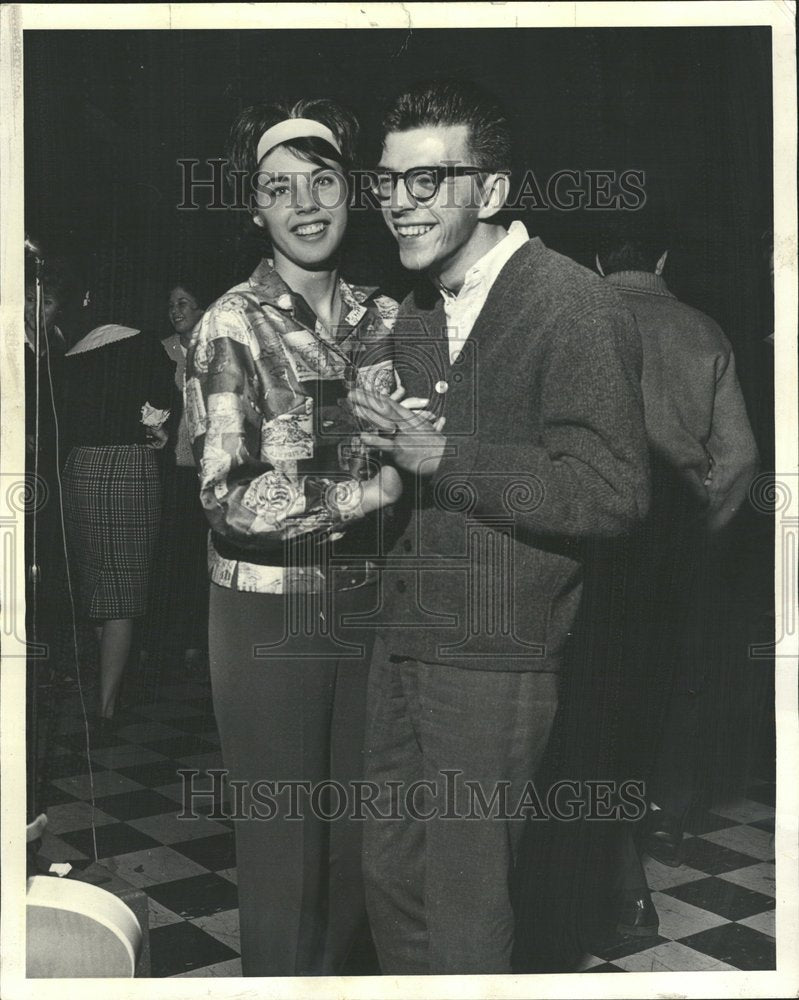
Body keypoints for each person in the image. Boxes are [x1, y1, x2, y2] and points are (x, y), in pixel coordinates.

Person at [350, 78, 651, 974]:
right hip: (403, 635)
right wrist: (372, 431)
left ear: (490, 191)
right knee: (391, 880)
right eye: (389, 182)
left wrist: (447, 456)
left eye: (427, 182)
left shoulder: (572, 304)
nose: (400, 205)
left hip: (500, 649)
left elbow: (612, 490)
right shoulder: (413, 313)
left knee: (467, 899)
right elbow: (410, 463)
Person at [184, 97, 402, 977]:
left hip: (371, 601)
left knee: (361, 837)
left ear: (351, 191)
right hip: (265, 617)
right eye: (281, 189)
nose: (306, 204)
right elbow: (228, 495)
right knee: (285, 850)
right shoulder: (231, 325)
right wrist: (371, 491)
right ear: (255, 208)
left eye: (322, 182)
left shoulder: (385, 317)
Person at [594, 231, 759, 932]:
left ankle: (611, 862)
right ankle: (663, 812)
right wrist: (703, 532)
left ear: (597, 263)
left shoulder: (583, 318)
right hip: (679, 545)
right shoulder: (703, 328)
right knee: (672, 682)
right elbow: (742, 456)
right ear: (663, 260)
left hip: (601, 546)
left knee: (598, 699)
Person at [61, 309, 174, 726]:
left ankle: (102, 691)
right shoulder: (144, 344)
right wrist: (159, 430)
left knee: (97, 587)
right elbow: (159, 405)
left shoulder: (76, 350)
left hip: (79, 468)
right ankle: (106, 706)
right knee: (124, 590)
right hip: (126, 465)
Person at [143, 276, 215, 677]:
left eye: (185, 303)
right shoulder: (162, 351)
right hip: (169, 466)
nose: (176, 311)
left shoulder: (216, 345)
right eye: (172, 304)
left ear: (202, 308)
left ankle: (194, 642)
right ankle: (159, 642)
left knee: (195, 558)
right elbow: (150, 401)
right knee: (165, 554)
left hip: (205, 469)